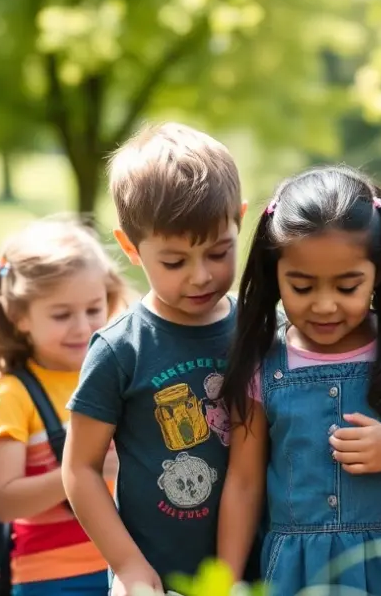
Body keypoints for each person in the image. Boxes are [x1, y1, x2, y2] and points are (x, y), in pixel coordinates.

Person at [216, 165, 381, 595]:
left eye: (347, 287)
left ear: (380, 270)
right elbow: (243, 482)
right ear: (276, 272)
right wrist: (224, 585)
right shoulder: (263, 362)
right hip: (291, 578)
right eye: (302, 287)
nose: (325, 306)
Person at [63, 122, 259, 594]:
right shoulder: (120, 349)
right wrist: (128, 566)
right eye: (174, 262)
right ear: (130, 246)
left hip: (256, 575)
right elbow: (80, 469)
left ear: (240, 218)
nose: (200, 277)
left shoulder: (261, 330)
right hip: (155, 580)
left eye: (218, 252)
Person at [0, 217, 132, 596]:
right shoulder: (12, 395)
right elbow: (4, 501)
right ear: (19, 317)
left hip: (130, 566)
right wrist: (85, 466)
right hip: (51, 577)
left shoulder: (118, 373)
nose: (82, 327)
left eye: (94, 309)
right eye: (62, 315)